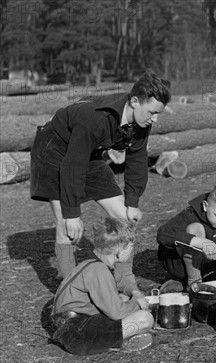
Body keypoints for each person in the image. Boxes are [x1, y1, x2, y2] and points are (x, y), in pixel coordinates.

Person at [30, 71, 171, 285]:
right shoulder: (94, 118)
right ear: (134, 102)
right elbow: (72, 165)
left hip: (89, 154)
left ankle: (124, 279)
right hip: (54, 154)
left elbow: (138, 161)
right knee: (67, 226)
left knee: (125, 219)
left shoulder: (142, 124)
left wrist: (132, 202)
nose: (155, 118)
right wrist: (72, 213)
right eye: (152, 112)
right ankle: (69, 285)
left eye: (158, 113)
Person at [52, 217, 153, 355]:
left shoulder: (95, 264)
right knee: (144, 319)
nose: (131, 251)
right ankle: (120, 341)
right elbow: (117, 312)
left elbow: (122, 281)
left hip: (74, 327)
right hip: (76, 334)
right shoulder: (99, 270)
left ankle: (118, 337)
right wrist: (138, 304)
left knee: (123, 298)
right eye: (130, 247)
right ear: (118, 249)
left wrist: (135, 292)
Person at [156, 184, 216, 290]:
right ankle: (194, 282)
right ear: (206, 206)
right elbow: (162, 234)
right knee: (195, 228)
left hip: (210, 269)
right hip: (179, 266)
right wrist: (200, 242)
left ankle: (186, 286)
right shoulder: (190, 214)